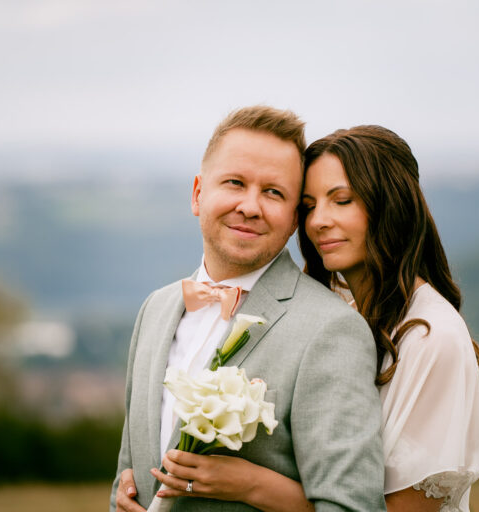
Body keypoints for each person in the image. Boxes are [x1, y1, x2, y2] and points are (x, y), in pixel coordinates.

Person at [153, 125, 479, 512]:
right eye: (309, 206)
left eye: (341, 200)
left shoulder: (433, 337)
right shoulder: (334, 316)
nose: (318, 221)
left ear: (392, 205)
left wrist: (252, 484)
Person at [110, 108, 386, 512]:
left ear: (294, 218)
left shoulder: (332, 331)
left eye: (273, 192)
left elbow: (352, 506)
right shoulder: (155, 310)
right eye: (235, 183)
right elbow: (128, 471)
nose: (250, 206)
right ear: (198, 194)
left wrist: (253, 487)